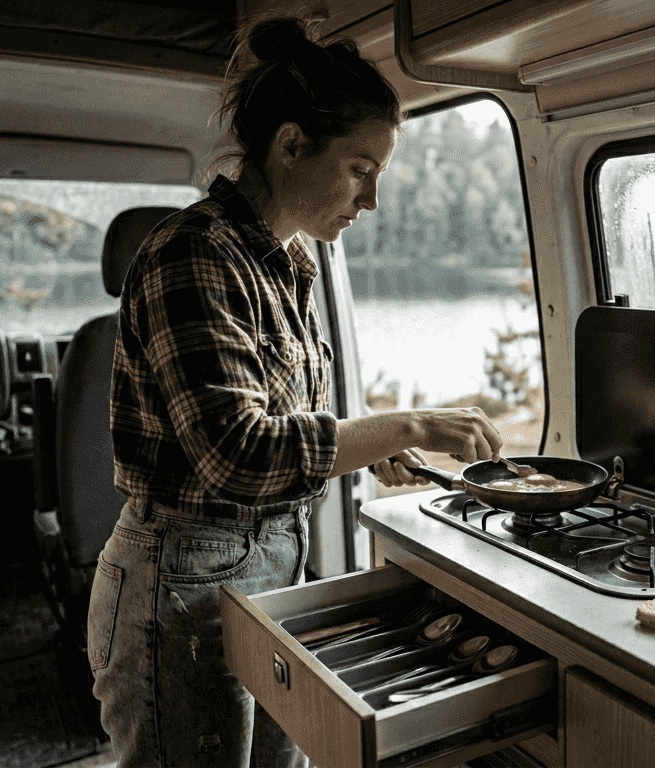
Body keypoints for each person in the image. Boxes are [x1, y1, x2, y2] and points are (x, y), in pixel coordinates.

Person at [86, 13, 505, 768]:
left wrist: (366, 453)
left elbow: (278, 420)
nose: (370, 200)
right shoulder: (193, 253)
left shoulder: (288, 264)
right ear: (289, 145)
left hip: (267, 563)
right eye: (360, 169)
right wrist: (405, 425)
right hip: (178, 582)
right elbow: (238, 454)